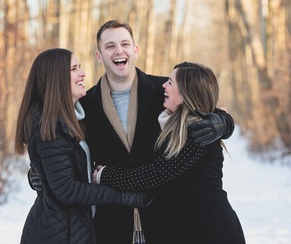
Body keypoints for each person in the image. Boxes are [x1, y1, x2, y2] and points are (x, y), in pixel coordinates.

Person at [29, 20, 235, 243]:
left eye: (125, 44)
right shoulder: (84, 105)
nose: (119, 50)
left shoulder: (165, 91)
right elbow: (60, 149)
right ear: (99, 56)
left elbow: (203, 107)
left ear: (135, 50)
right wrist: (37, 175)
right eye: (110, 46)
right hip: (111, 225)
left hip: (167, 221)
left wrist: (224, 123)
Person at [93, 62, 246, 244]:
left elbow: (153, 175)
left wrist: (105, 175)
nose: (164, 85)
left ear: (186, 93)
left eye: (171, 83)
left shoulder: (197, 132)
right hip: (186, 226)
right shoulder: (175, 125)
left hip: (210, 229)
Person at [15, 48, 154, 244]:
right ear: (56, 79)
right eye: (73, 69)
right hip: (57, 233)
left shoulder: (76, 118)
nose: (83, 73)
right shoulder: (50, 128)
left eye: (79, 67)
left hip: (76, 227)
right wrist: (125, 197)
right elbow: (67, 189)